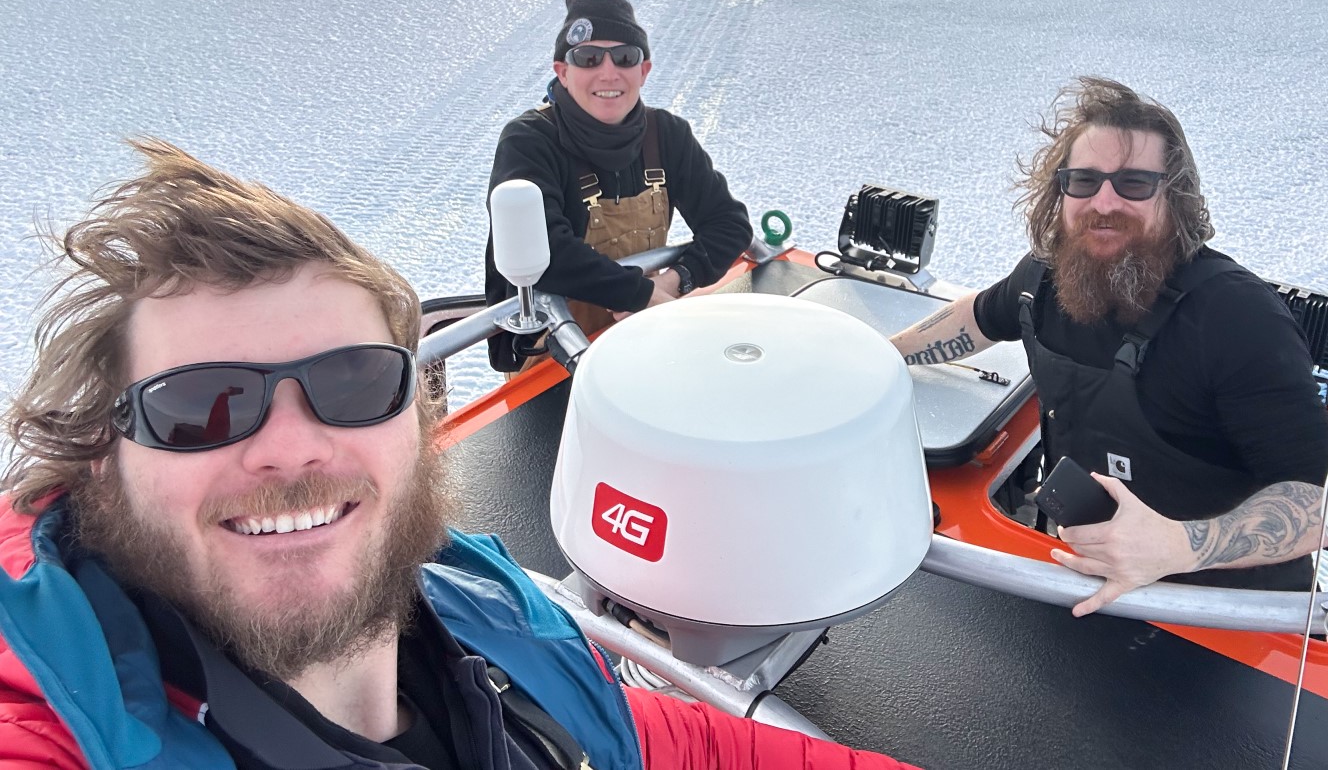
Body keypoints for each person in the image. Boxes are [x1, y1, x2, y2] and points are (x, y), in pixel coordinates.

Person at [0, 140, 919, 769]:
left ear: (414, 415)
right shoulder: (52, 723)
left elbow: (651, 738)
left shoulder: (487, 616)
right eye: (203, 405)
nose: (288, 447)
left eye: (353, 383)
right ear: (99, 456)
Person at [890, 77, 1328, 615]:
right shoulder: (1043, 281)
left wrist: (1179, 546)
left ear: (1176, 196)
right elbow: (977, 317)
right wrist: (884, 353)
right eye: (1084, 180)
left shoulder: (1236, 318)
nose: (1104, 201)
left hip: (1218, 610)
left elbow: (1321, 504)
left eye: (1133, 184)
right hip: (1078, 574)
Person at [485, 0, 752, 373]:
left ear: (643, 70)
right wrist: (641, 294)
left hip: (640, 335)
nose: (608, 73)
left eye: (625, 57)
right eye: (589, 58)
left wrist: (675, 281)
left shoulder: (668, 135)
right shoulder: (528, 141)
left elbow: (729, 224)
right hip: (551, 355)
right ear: (563, 70)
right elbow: (548, 253)